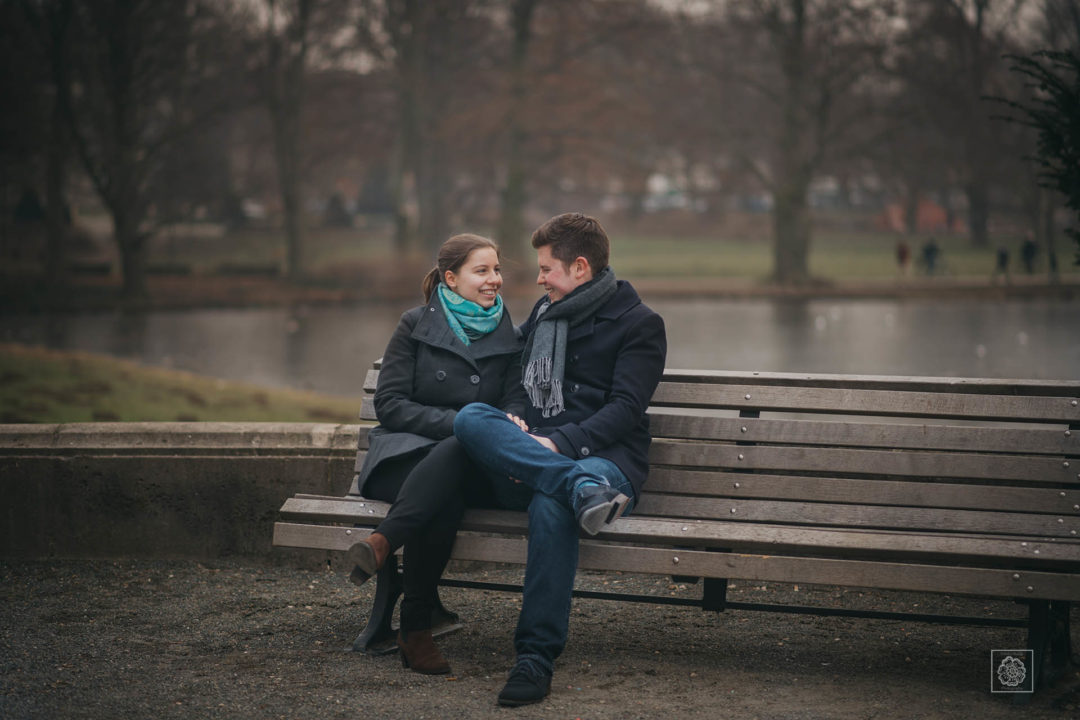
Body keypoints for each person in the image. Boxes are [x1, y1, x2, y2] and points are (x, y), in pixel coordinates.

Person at [453, 212, 667, 707]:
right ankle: (575, 487)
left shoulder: (639, 323)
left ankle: (534, 659)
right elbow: (515, 380)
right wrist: (514, 416)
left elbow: (625, 410)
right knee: (470, 419)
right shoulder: (544, 315)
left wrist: (559, 444)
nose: (539, 278)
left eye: (547, 268)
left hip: (607, 464)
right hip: (554, 466)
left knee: (552, 503)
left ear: (581, 267)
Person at [345, 233, 531, 675]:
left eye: (497, 270)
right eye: (481, 271)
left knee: (451, 473)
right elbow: (389, 404)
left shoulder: (510, 335)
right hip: (402, 461)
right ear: (451, 278)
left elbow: (516, 400)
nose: (494, 281)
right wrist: (462, 424)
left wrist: (510, 421)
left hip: (471, 466)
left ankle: (384, 540)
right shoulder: (414, 324)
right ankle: (415, 631)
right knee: (444, 488)